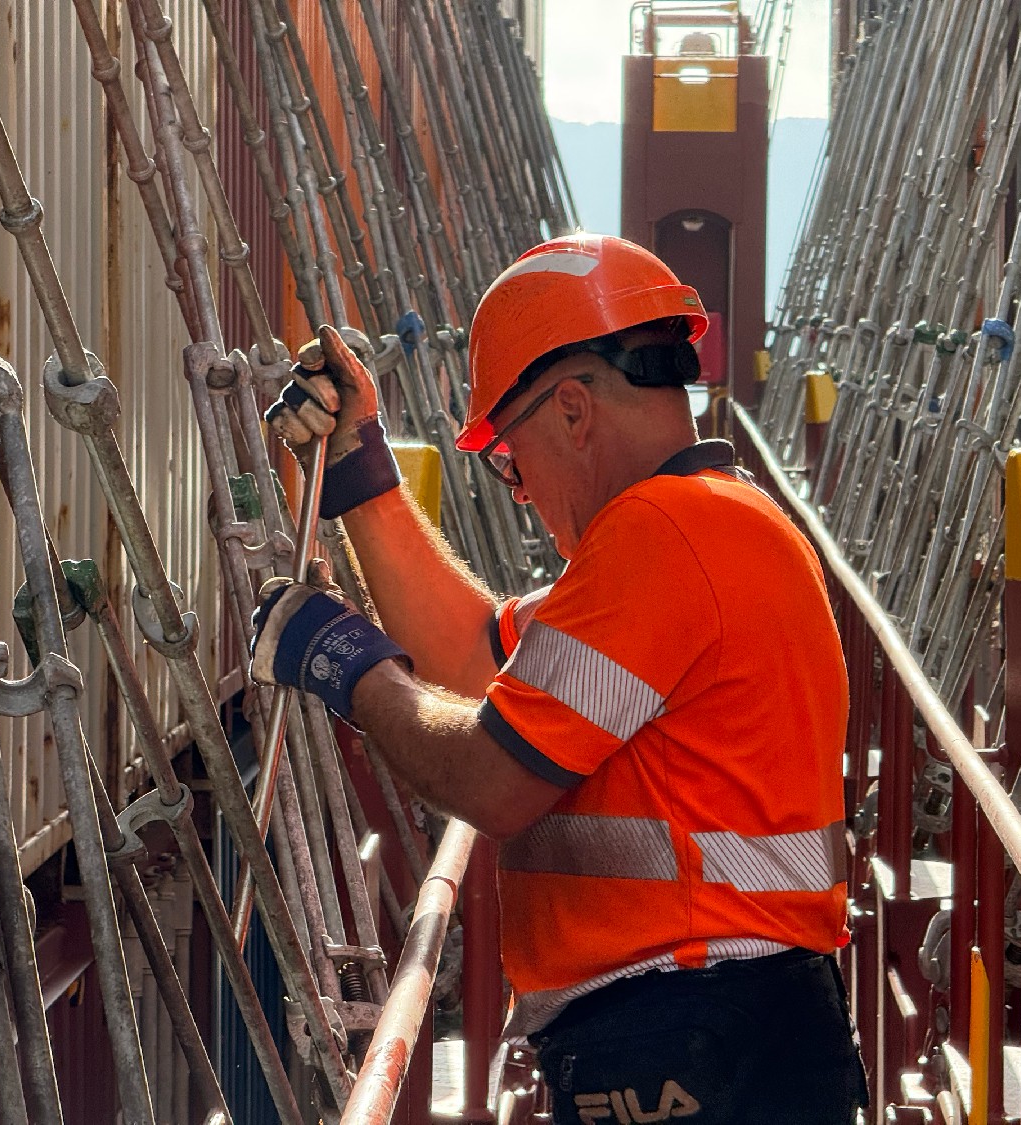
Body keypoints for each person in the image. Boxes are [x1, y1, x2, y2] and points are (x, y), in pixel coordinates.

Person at [252, 234, 867, 1123]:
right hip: (730, 1032)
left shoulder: (662, 536)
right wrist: (359, 466)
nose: (523, 490)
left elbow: (493, 781)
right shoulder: (707, 535)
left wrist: (347, 665)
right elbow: (476, 659)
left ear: (573, 411)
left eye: (510, 455)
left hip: (692, 1034)